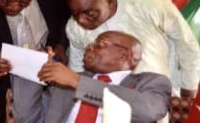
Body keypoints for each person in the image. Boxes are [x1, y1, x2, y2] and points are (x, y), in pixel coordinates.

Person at [65, 0, 200, 98]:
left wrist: (189, 91)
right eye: (76, 14)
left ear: (109, 0)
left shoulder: (151, 6)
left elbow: (187, 45)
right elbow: (78, 70)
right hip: (106, 103)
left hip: (160, 98)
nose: (81, 20)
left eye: (90, 13)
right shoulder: (74, 28)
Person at [38, 31, 172, 123]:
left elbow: (149, 110)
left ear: (125, 55)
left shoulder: (153, 82)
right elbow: (29, 117)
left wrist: (77, 82)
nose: (89, 48)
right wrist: (36, 66)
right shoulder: (63, 82)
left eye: (99, 45)